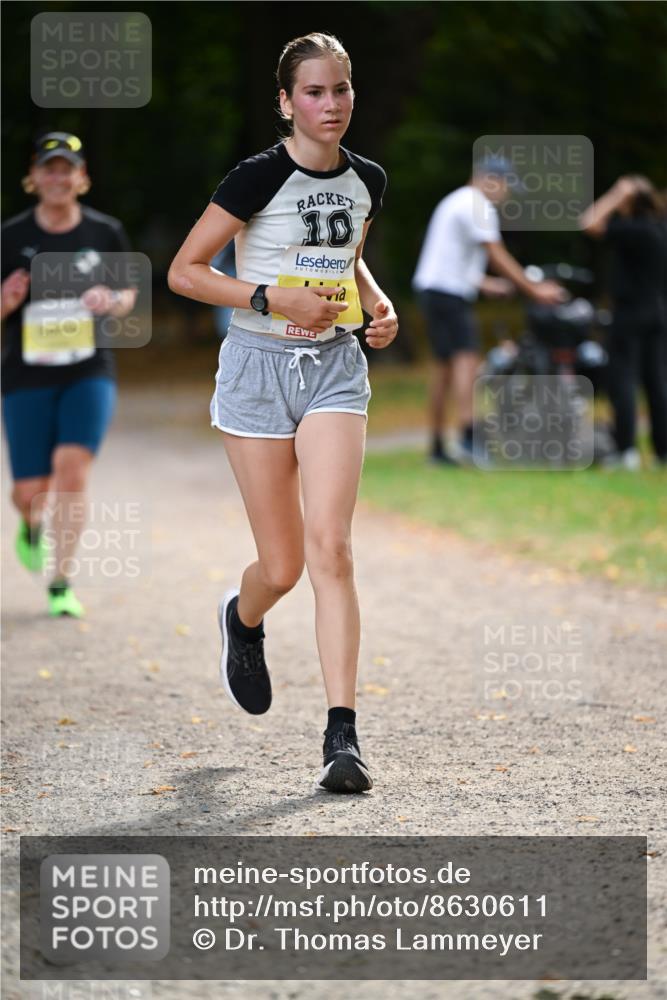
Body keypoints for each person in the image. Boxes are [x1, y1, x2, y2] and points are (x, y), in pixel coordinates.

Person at [168, 33, 397, 794]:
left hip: (334, 368)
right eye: (313, 93)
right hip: (257, 371)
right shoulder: (256, 177)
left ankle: (342, 737)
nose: (329, 105)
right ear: (285, 102)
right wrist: (268, 297)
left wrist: (376, 301)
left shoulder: (367, 179)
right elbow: (186, 272)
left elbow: (346, 257)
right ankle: (244, 617)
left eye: (340, 90)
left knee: (331, 546)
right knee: (285, 565)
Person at [1, 131, 137, 616]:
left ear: (82, 178)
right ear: (33, 178)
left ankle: (61, 581)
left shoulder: (105, 233)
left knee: (72, 469)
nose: (58, 177)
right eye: (48, 168)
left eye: (67, 169)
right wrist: (8, 302)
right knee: (30, 492)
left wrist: (111, 300)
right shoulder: (10, 237)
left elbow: (127, 296)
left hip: (88, 369)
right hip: (25, 374)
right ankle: (30, 522)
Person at [413, 156, 566, 465]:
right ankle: (469, 439)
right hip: (449, 295)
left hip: (434, 290)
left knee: (443, 369)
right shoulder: (477, 205)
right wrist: (535, 289)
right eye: (506, 186)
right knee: (466, 360)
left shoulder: (455, 201)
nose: (505, 195)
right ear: (489, 179)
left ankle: (438, 448)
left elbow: (451, 259)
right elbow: (496, 254)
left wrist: (486, 285)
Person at [579, 175, 667, 469]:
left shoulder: (633, 230)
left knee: (623, 379)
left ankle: (626, 450)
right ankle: (661, 452)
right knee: (656, 382)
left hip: (630, 313)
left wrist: (616, 193)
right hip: (657, 312)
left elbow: (588, 222)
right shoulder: (656, 228)